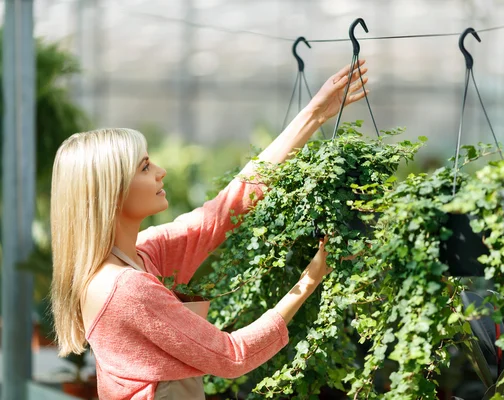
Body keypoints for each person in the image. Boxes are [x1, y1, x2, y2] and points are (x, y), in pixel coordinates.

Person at [50, 61, 369, 400]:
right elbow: (232, 355)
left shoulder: (141, 255)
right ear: (113, 191)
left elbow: (225, 209)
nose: (161, 171)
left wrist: (315, 115)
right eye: (145, 167)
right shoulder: (126, 288)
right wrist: (310, 279)